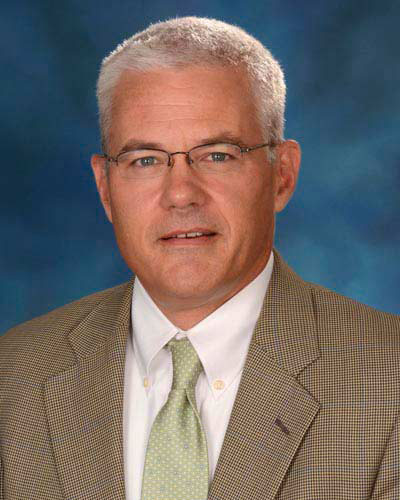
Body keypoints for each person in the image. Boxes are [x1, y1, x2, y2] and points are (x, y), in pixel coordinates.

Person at [1, 16, 399, 500]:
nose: (181, 194)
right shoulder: (15, 374)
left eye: (217, 155)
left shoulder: (388, 381)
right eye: (145, 160)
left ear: (283, 175)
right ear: (105, 188)